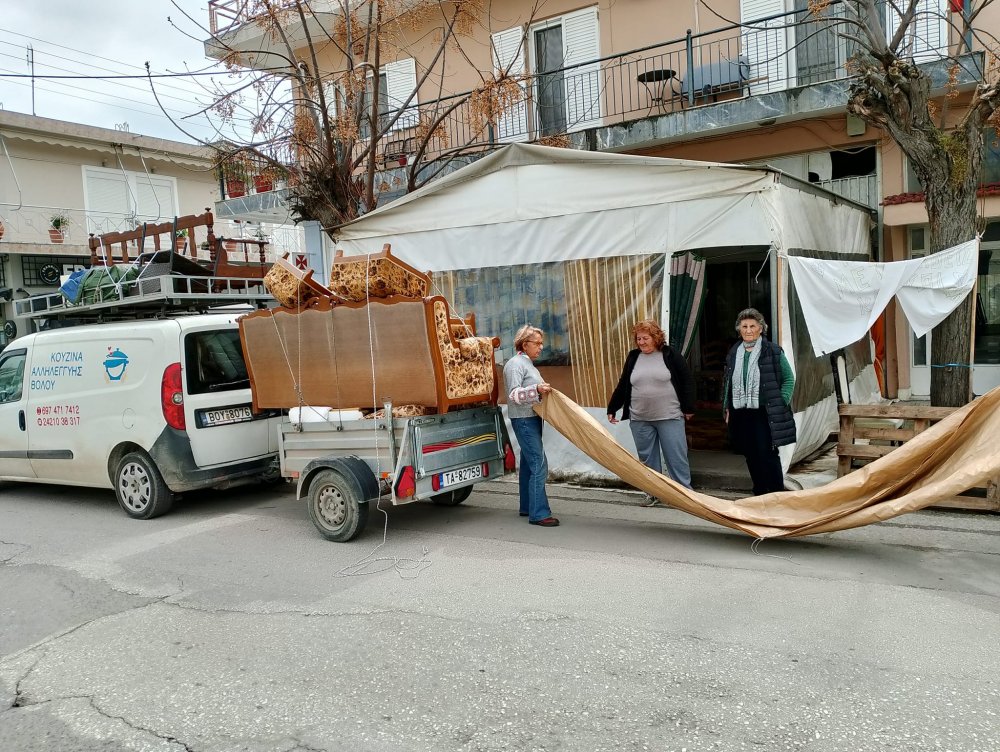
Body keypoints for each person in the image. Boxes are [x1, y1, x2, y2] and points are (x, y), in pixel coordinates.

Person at [607, 320, 695, 505]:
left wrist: (688, 408)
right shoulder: (633, 357)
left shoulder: (670, 355)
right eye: (639, 338)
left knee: (676, 455)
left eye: (645, 338)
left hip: (669, 416)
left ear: (656, 338)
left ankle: (685, 495)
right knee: (647, 458)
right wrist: (613, 407)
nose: (641, 342)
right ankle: (653, 493)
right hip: (640, 418)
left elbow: (687, 381)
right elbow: (624, 384)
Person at [722, 308, 796, 496]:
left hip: (765, 410)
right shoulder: (734, 352)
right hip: (741, 411)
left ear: (761, 328)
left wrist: (782, 401)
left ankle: (776, 492)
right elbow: (728, 382)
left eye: (752, 326)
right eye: (744, 326)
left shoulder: (772, 351)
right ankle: (760, 491)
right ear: (739, 329)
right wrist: (727, 407)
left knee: (767, 452)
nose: (748, 330)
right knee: (750, 452)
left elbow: (789, 379)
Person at [503, 324, 559, 527]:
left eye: (541, 343)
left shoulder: (525, 363)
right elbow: (514, 394)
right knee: (539, 464)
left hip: (530, 418)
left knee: (528, 464)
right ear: (525, 344)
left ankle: (527, 506)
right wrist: (537, 388)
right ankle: (539, 513)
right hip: (524, 419)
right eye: (537, 343)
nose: (541, 347)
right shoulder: (515, 364)